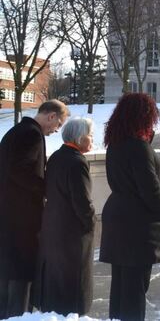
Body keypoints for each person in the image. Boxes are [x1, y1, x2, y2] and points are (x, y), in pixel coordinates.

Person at [99, 93, 160, 321]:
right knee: (135, 289)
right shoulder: (139, 147)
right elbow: (150, 188)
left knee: (120, 286)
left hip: (118, 217)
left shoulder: (115, 145)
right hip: (137, 224)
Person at [0, 99, 68, 316]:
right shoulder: (31, 134)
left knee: (8, 277)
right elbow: (22, 172)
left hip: (9, 216)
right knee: (21, 279)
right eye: (57, 125)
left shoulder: (16, 131)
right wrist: (47, 189)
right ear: (51, 116)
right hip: (22, 219)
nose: (55, 130)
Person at [36, 117, 95, 316]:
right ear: (80, 138)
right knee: (74, 286)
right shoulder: (77, 163)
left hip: (52, 226)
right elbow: (82, 202)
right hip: (71, 233)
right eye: (90, 135)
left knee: (55, 282)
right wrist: (90, 222)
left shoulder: (57, 157)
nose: (92, 140)